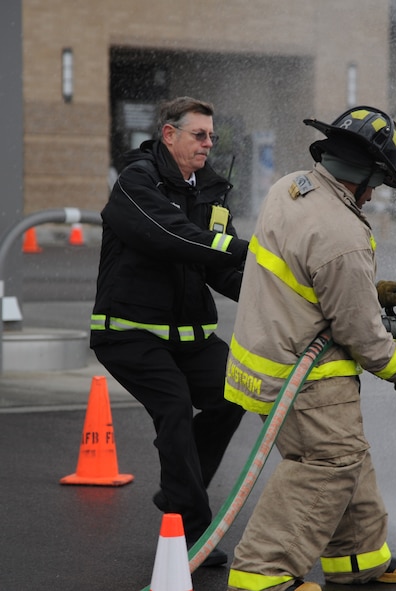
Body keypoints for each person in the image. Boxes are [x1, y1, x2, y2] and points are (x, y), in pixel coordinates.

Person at [223, 106, 396, 591]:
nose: (377, 192)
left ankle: (358, 559)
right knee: (327, 464)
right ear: (366, 175)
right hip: (308, 376)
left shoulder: (293, 187)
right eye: (378, 181)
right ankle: (262, 574)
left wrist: (367, 288)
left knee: (347, 455)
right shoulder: (343, 234)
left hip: (267, 358)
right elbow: (364, 337)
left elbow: (311, 273)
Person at [90, 96, 249, 567]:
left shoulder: (212, 191)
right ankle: (193, 533)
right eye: (199, 135)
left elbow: (220, 272)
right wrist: (254, 250)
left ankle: (180, 493)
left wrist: (284, 291)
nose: (208, 144)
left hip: (189, 337)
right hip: (129, 334)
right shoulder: (137, 183)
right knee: (175, 407)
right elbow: (174, 236)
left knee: (235, 393)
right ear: (168, 134)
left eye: (212, 137)